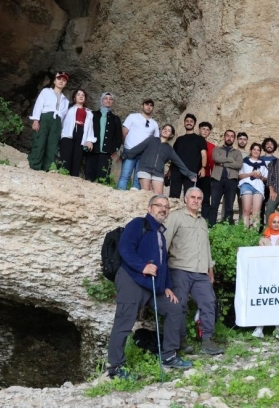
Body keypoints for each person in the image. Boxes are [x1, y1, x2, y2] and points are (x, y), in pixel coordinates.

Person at [107, 195, 191, 379]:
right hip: (132, 280)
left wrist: (167, 286)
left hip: (152, 285)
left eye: (166, 207)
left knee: (175, 308)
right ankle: (115, 368)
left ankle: (169, 355)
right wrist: (142, 266)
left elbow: (162, 264)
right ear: (149, 208)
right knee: (124, 321)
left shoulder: (160, 233)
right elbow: (125, 248)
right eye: (158, 205)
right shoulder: (139, 224)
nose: (163, 209)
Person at [163, 187, 224, 355]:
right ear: (186, 199)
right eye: (193, 197)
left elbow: (206, 247)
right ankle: (180, 342)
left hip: (200, 272)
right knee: (179, 305)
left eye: (199, 198)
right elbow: (164, 243)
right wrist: (162, 269)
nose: (196, 201)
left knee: (209, 302)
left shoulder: (202, 221)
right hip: (179, 269)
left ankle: (207, 341)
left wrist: (210, 268)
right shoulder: (175, 217)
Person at [252, 212, 279, 339]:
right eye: (274, 222)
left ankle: (278, 329)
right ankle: (259, 328)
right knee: (264, 300)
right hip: (266, 274)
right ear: (270, 222)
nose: (276, 224)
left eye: (278, 222)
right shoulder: (263, 239)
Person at [123, 125, 196, 194]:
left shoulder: (169, 149)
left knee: (158, 196)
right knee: (145, 193)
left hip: (158, 173)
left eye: (168, 130)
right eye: (164, 129)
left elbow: (179, 162)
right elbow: (138, 148)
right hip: (144, 170)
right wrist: (124, 155)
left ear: (171, 135)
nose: (165, 131)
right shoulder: (151, 139)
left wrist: (190, 174)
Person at [28, 71, 69, 171]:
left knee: (52, 144)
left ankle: (47, 167)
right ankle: (35, 165)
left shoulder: (66, 100)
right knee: (40, 140)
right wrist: (36, 120)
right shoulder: (46, 91)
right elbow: (38, 105)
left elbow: (63, 117)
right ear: (54, 81)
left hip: (57, 123)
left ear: (66, 84)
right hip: (45, 118)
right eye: (59, 79)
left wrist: (61, 129)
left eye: (64, 80)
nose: (61, 81)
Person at [117, 99, 160, 190]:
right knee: (125, 176)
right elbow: (124, 132)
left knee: (138, 180)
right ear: (142, 105)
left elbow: (155, 141)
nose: (148, 107)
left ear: (153, 108)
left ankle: (134, 202)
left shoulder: (154, 124)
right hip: (130, 151)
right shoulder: (133, 117)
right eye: (146, 104)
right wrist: (126, 146)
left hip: (144, 155)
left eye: (151, 105)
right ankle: (119, 198)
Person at [85, 92, 122, 182]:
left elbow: (118, 136)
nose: (108, 101)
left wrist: (115, 149)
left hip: (106, 152)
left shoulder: (115, 119)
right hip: (92, 150)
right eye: (106, 98)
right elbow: (86, 129)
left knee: (103, 177)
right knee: (89, 176)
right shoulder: (93, 114)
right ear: (101, 100)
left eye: (110, 99)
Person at [209, 130, 243, 226]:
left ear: (234, 139)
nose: (229, 138)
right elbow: (216, 158)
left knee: (229, 206)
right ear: (224, 137)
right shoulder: (217, 149)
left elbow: (239, 165)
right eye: (227, 136)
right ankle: (211, 226)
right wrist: (230, 160)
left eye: (232, 136)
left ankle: (227, 227)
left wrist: (223, 163)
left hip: (231, 181)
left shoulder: (237, 152)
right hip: (217, 180)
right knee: (214, 205)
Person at [169, 114, 207, 199]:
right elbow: (173, 156)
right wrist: (169, 171)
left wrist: (203, 167)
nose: (189, 123)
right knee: (173, 197)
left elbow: (204, 154)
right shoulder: (179, 139)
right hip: (176, 171)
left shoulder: (200, 139)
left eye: (191, 121)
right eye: (187, 121)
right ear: (184, 123)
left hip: (191, 171)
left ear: (194, 124)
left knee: (190, 196)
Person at [59, 88, 95, 177]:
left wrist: (89, 140)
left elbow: (90, 127)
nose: (81, 96)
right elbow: (61, 120)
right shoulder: (68, 108)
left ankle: (73, 178)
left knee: (77, 158)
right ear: (74, 98)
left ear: (85, 99)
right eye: (78, 94)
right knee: (66, 157)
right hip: (68, 134)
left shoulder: (89, 112)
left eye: (83, 95)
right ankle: (63, 176)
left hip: (81, 134)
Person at [238, 142, 269, 227]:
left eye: (258, 150)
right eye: (254, 149)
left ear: (260, 152)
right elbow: (240, 175)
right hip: (247, 184)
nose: (256, 151)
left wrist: (260, 176)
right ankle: (245, 233)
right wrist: (250, 174)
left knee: (256, 213)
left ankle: (254, 236)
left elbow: (266, 178)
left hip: (258, 187)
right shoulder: (244, 161)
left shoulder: (262, 163)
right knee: (246, 211)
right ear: (251, 150)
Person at [259, 137, 279, 227]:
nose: (269, 146)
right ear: (264, 146)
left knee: (270, 208)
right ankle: (259, 229)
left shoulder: (277, 160)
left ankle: (270, 229)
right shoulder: (259, 159)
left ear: (274, 147)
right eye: (267, 144)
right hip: (260, 186)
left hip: (272, 188)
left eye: (271, 144)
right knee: (260, 208)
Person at [197, 122, 215, 219]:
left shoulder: (212, 146)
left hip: (207, 176)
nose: (205, 131)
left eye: (207, 130)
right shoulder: (193, 142)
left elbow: (212, 162)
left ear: (209, 132)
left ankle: (205, 221)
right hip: (193, 174)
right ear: (199, 130)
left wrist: (213, 178)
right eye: (203, 129)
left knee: (206, 199)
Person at [236, 131, 250, 219]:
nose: (242, 141)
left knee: (243, 202)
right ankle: (224, 221)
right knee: (228, 202)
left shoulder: (249, 155)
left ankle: (242, 223)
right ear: (237, 140)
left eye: (244, 139)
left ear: (247, 141)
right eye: (240, 139)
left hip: (243, 181)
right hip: (232, 179)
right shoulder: (233, 152)